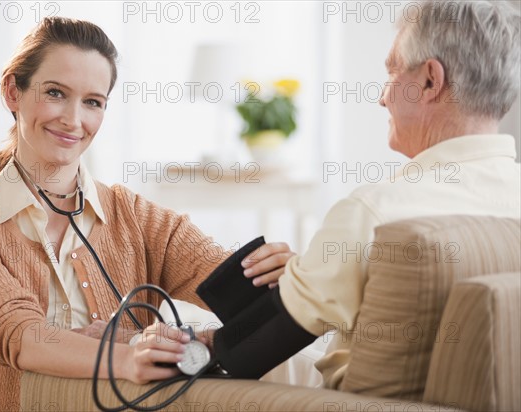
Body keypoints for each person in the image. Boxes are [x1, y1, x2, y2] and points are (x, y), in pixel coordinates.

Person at [0, 17, 293, 410]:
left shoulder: (135, 216)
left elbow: (235, 290)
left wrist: (285, 278)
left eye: (92, 102)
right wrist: (130, 354)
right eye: (55, 92)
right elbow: (20, 336)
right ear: (13, 92)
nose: (73, 120)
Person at [209, 0, 521, 387]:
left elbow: (245, 350)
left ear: (429, 81)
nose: (381, 97)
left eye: (392, 71)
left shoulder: (377, 211)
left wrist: (190, 340)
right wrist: (313, 274)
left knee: (185, 328)